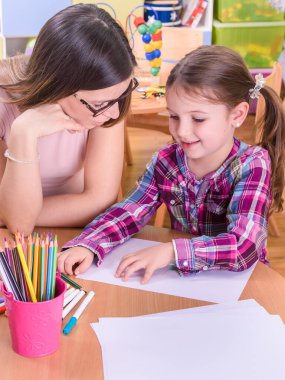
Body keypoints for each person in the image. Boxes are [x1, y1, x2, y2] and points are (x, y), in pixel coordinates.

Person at [57, 45, 285, 284]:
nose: (182, 131)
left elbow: (243, 246)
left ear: (237, 115)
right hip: (185, 282)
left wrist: (171, 252)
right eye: (174, 117)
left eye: (198, 118)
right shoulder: (166, 162)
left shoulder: (253, 164)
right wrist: (89, 244)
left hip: (242, 284)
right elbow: (129, 211)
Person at [0, 3, 137, 234]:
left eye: (121, 96)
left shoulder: (109, 96)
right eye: (99, 104)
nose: (114, 113)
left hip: (69, 233)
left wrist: (16, 212)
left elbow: (100, 200)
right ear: (58, 86)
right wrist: (24, 132)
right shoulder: (5, 100)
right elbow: (19, 226)